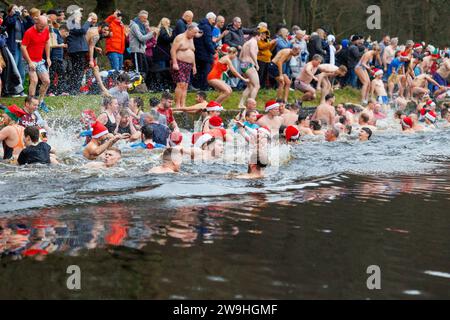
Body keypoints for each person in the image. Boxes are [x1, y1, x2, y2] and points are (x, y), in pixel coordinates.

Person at [21, 15, 51, 113]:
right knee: (34, 80)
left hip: (39, 60)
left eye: (44, 26)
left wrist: (48, 57)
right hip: (29, 60)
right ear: (36, 23)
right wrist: (29, 62)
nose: (42, 28)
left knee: (46, 81)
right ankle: (31, 104)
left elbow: (47, 42)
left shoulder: (45, 30)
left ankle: (40, 101)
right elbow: (23, 47)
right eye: (41, 26)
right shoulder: (29, 32)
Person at [3, 4, 34, 82]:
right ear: (9, 12)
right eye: (14, 9)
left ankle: (20, 90)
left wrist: (27, 16)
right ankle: (12, 90)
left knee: (21, 70)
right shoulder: (7, 18)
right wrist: (17, 13)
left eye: (17, 9)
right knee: (14, 68)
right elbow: (10, 23)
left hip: (21, 46)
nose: (17, 10)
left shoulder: (20, 20)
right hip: (12, 46)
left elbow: (31, 26)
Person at [171, 24, 198, 109]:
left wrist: (194, 66)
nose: (195, 35)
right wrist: (175, 63)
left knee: (186, 85)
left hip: (189, 65)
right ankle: (177, 105)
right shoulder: (180, 37)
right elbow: (173, 50)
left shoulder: (191, 38)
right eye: (194, 33)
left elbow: (192, 52)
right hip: (179, 63)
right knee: (180, 84)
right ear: (189, 30)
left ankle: (183, 104)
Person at [66, 9, 93, 95]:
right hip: (77, 50)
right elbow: (82, 31)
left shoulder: (74, 23)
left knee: (78, 70)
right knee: (78, 70)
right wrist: (88, 22)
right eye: (79, 16)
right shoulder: (73, 23)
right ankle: (74, 89)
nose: (81, 18)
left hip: (78, 50)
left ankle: (74, 89)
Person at [86, 20, 111, 96]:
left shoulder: (92, 29)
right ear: (100, 27)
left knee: (94, 69)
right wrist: (91, 60)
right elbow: (90, 46)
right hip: (85, 52)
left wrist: (96, 47)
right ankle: (103, 89)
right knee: (95, 69)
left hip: (82, 49)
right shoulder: (96, 35)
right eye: (104, 29)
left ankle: (103, 89)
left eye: (107, 30)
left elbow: (88, 42)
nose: (105, 31)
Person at [193, 12, 217, 91]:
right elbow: (208, 41)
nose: (214, 22)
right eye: (213, 19)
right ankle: (205, 87)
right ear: (209, 18)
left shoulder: (200, 25)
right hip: (205, 53)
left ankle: (199, 86)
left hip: (198, 52)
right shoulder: (207, 27)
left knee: (200, 71)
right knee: (207, 70)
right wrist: (213, 52)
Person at [129, 10, 154, 77]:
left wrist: (147, 29)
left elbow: (146, 39)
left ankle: (142, 85)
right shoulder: (135, 26)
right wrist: (152, 34)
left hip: (142, 50)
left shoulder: (142, 26)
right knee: (138, 71)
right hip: (136, 50)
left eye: (147, 18)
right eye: (145, 18)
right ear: (140, 17)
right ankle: (137, 86)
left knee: (145, 69)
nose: (146, 20)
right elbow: (141, 38)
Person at [239, 29, 261, 107]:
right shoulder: (253, 41)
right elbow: (252, 52)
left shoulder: (246, 43)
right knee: (256, 86)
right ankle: (251, 104)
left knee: (250, 86)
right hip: (249, 65)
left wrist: (244, 63)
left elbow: (240, 57)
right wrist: (256, 63)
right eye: (260, 37)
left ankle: (241, 104)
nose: (260, 39)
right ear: (257, 36)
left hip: (243, 65)